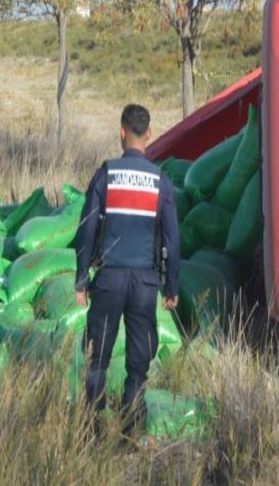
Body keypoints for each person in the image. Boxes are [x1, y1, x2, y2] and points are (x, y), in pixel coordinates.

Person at [74, 104, 181, 433]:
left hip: (108, 280)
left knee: (97, 359)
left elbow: (88, 229)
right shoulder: (159, 180)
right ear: (148, 134)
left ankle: (91, 430)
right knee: (138, 363)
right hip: (145, 284)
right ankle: (132, 429)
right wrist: (171, 286)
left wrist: (81, 280)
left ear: (122, 131)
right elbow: (173, 238)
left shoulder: (107, 173)